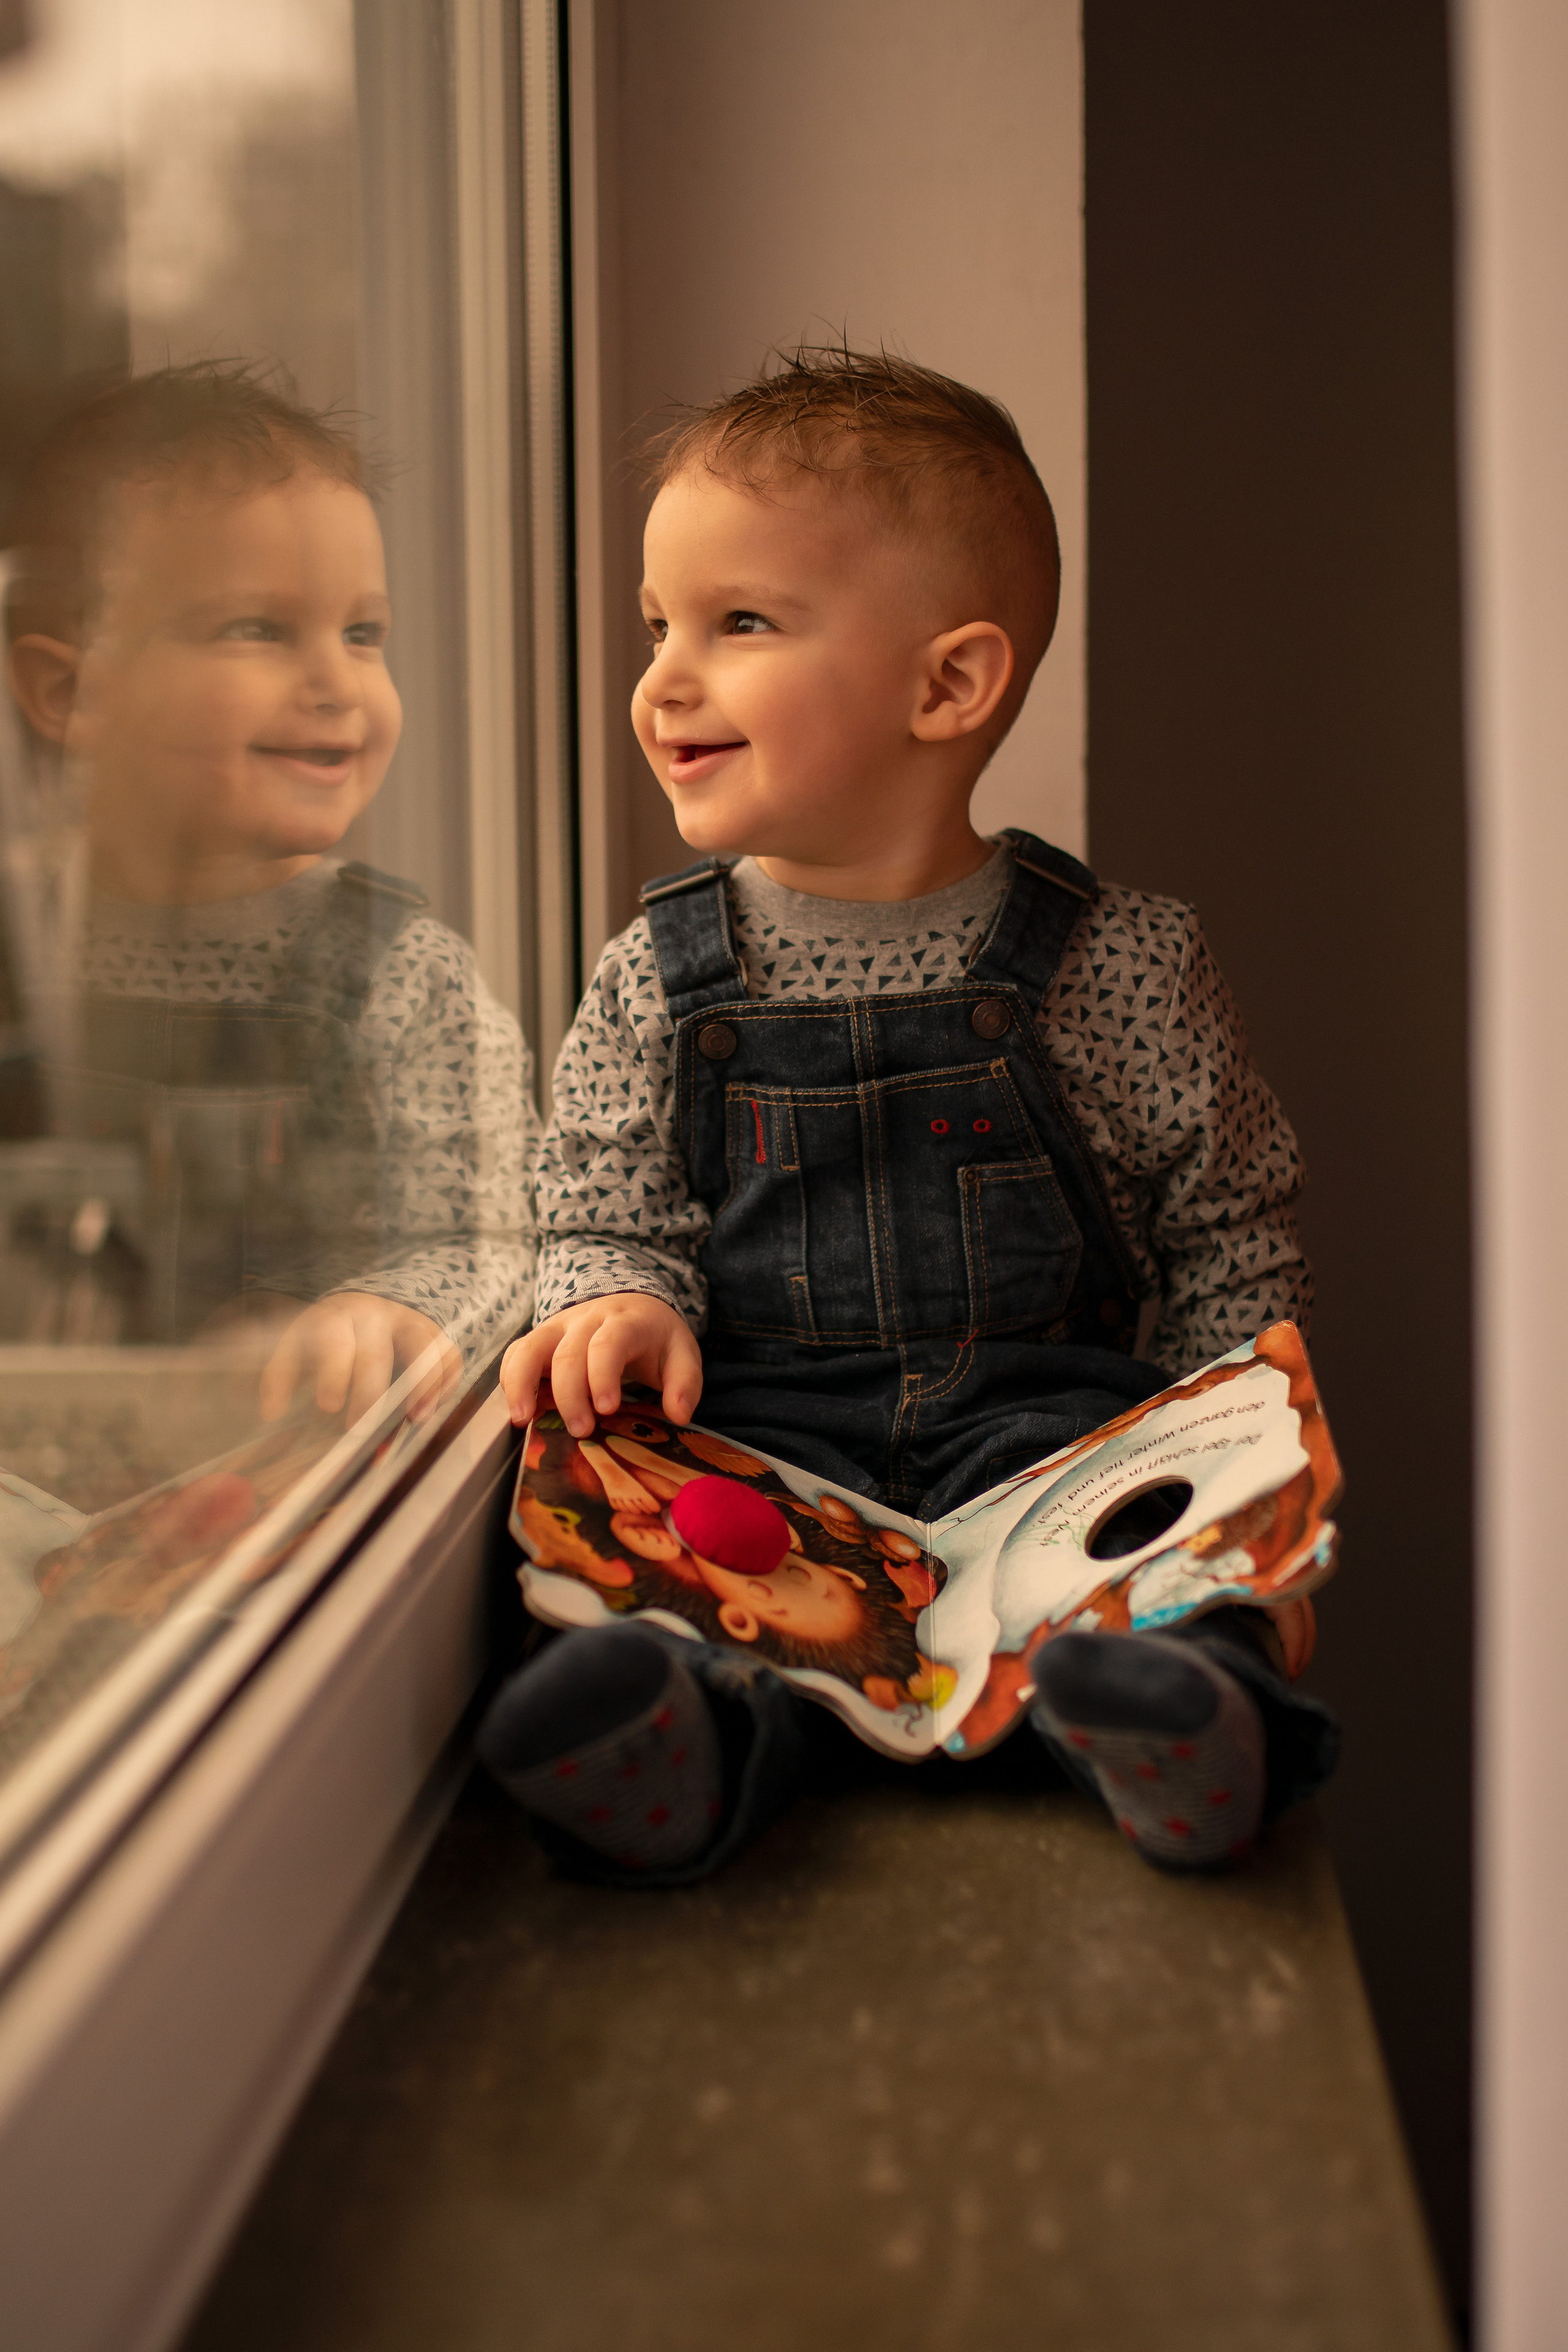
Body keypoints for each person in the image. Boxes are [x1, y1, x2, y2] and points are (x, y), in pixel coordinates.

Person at [484, 347, 1336, 1885]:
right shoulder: (654, 975)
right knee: (680, 1577)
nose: (662, 678)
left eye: (738, 624)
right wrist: (607, 1289)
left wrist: (1242, 1489)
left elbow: (1229, 1230)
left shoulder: (1120, 958)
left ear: (947, 683)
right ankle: (672, 1735)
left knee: (1137, 1574)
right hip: (762, 1447)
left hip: (1046, 1432)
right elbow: (599, 1185)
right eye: (656, 625)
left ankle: (1182, 1714)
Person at [2, 363, 537, 1421]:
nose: (337, 682)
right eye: (257, 628)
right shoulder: (25, 945)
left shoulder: (394, 966)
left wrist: (390, 1310)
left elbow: (495, 1237)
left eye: (362, 633)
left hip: (287, 1479)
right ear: (73, 692)